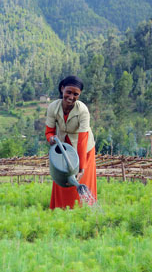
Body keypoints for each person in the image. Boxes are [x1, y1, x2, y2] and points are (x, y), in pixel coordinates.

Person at [45, 75, 97, 209]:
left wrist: (81, 168)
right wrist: (51, 138)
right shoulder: (53, 107)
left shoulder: (83, 111)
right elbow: (49, 131)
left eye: (76, 94)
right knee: (62, 178)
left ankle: (82, 210)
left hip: (84, 149)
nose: (71, 97)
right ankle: (60, 209)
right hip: (63, 147)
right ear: (62, 89)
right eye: (68, 92)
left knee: (81, 179)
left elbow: (82, 140)